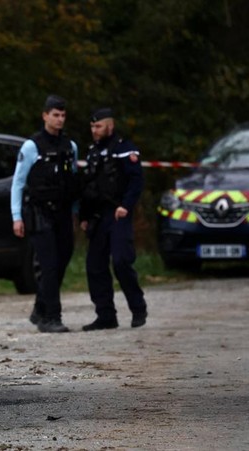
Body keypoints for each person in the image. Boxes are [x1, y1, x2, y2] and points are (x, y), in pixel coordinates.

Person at [11, 95, 79, 333]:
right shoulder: (32, 146)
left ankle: (40, 308)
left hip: (63, 213)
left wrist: (76, 213)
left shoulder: (70, 147)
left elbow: (73, 181)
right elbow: (18, 184)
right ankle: (52, 317)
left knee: (61, 262)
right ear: (45, 115)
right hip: (40, 213)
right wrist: (16, 216)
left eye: (62, 115)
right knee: (49, 265)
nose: (59, 119)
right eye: (55, 115)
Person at [79, 108, 148, 330]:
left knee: (121, 262)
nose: (94, 131)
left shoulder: (124, 149)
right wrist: (84, 216)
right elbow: (88, 186)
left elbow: (136, 181)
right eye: (92, 127)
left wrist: (126, 206)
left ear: (110, 125)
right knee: (95, 266)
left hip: (118, 214)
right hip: (98, 217)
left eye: (98, 126)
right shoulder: (92, 152)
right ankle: (106, 315)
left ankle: (138, 308)